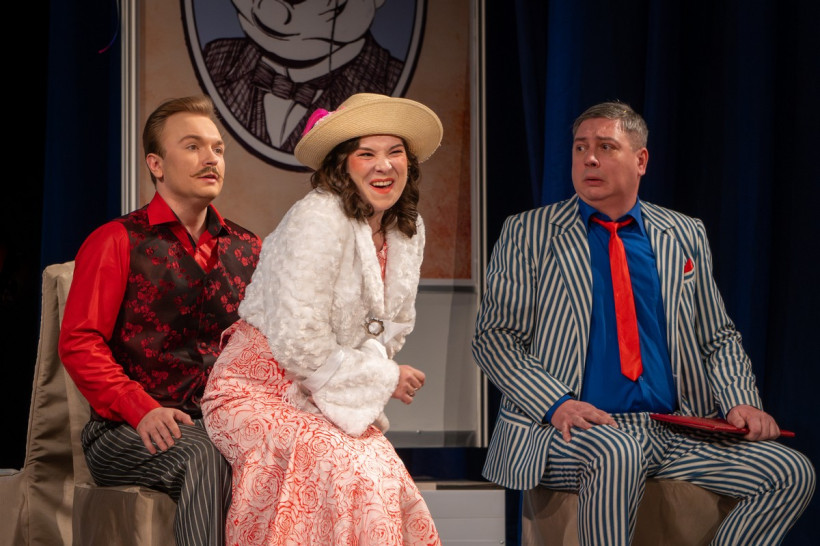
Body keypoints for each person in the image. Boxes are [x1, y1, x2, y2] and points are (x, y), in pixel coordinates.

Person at [472, 101, 816, 545]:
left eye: (605, 146)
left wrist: (741, 402)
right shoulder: (530, 233)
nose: (589, 158)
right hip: (570, 430)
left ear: (641, 160)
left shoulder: (683, 233)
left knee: (789, 471)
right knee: (617, 453)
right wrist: (558, 404)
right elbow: (495, 338)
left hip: (671, 428)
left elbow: (717, 336)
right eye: (580, 148)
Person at [201, 93, 443, 545]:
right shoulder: (318, 217)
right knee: (340, 463)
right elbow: (299, 343)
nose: (383, 166)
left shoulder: (408, 230)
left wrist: (377, 371)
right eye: (366, 154)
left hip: (324, 396)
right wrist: (384, 378)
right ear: (342, 165)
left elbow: (389, 330)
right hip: (255, 388)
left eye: (394, 152)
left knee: (381, 469)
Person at [59, 95, 262, 546]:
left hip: (220, 419)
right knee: (204, 454)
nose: (211, 158)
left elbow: (268, 346)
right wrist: (140, 408)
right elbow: (80, 343)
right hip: (125, 430)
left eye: (217, 148)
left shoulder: (248, 247)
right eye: (192, 146)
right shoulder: (116, 240)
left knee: (300, 450)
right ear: (156, 164)